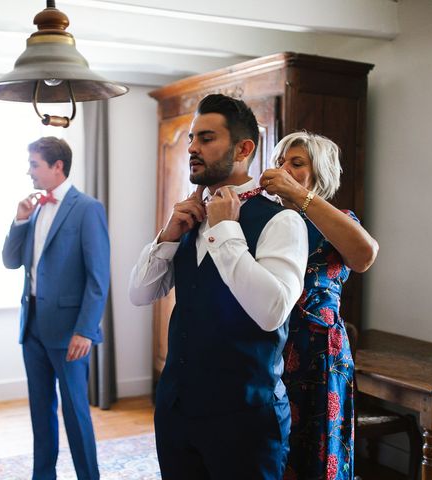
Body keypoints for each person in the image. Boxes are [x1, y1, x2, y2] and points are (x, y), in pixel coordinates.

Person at [129, 93, 309, 479]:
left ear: (244, 148)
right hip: (177, 411)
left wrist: (227, 229)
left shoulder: (282, 222)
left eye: (206, 138)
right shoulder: (188, 216)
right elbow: (140, 294)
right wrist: (167, 236)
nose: (192, 148)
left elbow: (272, 311)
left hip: (244, 419)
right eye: (192, 138)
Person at [260, 131, 379, 480]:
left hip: (317, 353)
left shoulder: (338, 220)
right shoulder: (264, 220)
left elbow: (364, 255)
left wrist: (298, 194)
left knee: (316, 449)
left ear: (320, 173)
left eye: (296, 164)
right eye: (280, 162)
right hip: (267, 347)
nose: (284, 169)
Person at [2, 137, 109, 480]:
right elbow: (10, 261)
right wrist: (19, 221)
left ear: (57, 166)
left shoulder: (87, 208)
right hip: (31, 325)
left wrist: (86, 330)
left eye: (34, 164)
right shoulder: (32, 209)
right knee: (40, 412)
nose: (29, 171)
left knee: (76, 413)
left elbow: (98, 277)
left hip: (70, 331)